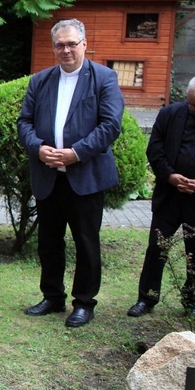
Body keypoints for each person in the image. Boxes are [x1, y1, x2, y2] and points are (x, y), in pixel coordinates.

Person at [17, 18, 124, 328]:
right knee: (49, 241)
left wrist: (76, 153)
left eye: (71, 44)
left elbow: (110, 125)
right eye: (60, 45)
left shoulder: (104, 78)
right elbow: (24, 122)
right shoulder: (40, 81)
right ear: (54, 48)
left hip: (85, 176)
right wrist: (38, 148)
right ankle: (52, 297)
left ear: (84, 45)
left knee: (86, 242)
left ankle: (84, 302)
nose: (65, 50)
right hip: (49, 175)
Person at [127, 77, 195, 318]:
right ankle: (147, 297)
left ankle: (192, 300)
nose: (193, 110)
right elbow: (154, 148)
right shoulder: (170, 114)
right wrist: (170, 176)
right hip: (169, 194)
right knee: (156, 248)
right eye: (191, 105)